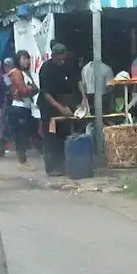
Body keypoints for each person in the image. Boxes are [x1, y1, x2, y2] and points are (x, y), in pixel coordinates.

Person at [37, 43, 86, 176]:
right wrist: (60, 108)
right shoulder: (45, 69)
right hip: (48, 105)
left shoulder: (68, 65)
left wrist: (83, 97)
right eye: (59, 59)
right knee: (50, 136)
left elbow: (77, 80)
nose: (61, 62)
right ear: (53, 57)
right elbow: (46, 93)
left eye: (63, 59)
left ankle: (63, 164)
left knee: (64, 134)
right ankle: (51, 167)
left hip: (64, 100)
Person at [8, 50, 39, 166]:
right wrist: (29, 89)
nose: (26, 61)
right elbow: (23, 90)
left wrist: (29, 89)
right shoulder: (16, 72)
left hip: (26, 106)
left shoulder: (25, 73)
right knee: (21, 133)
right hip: (19, 107)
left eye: (27, 58)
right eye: (23, 58)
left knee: (25, 132)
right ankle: (22, 157)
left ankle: (23, 155)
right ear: (18, 59)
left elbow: (34, 89)